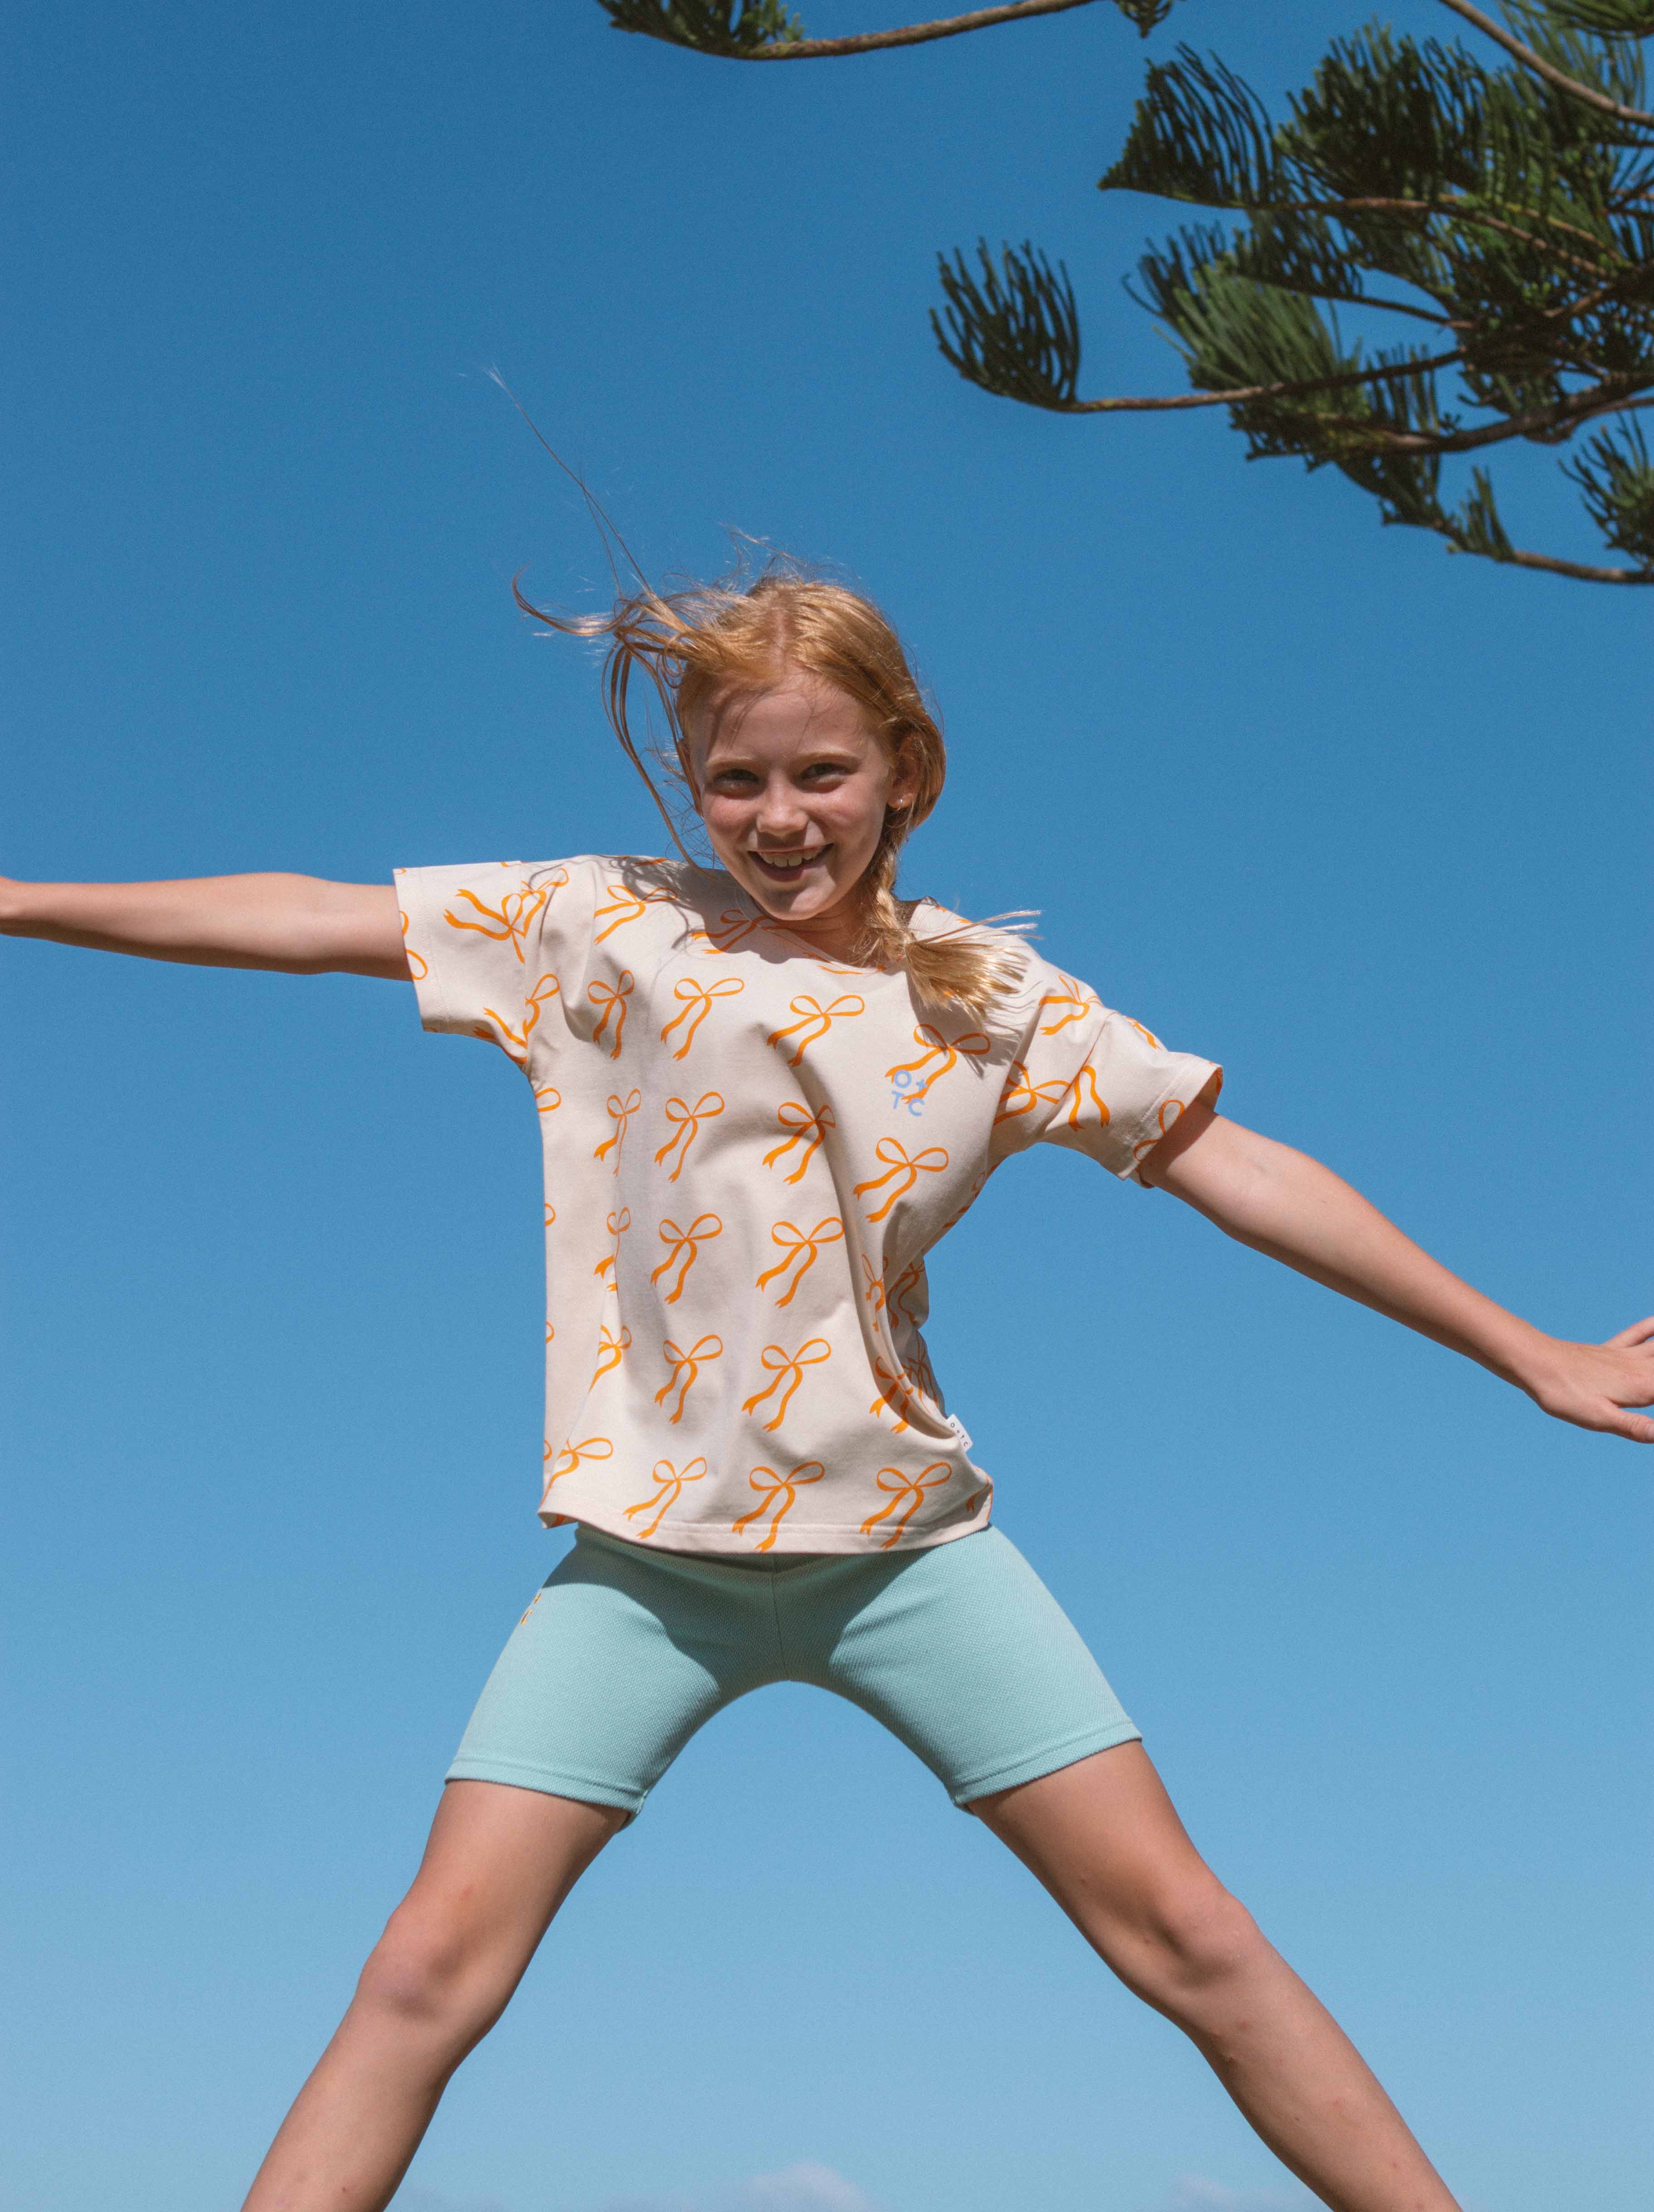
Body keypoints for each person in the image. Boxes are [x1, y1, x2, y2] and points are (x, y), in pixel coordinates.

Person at [5, 567, 1649, 2212]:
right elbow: (307, 920)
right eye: (738, 780)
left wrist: (1533, 1353)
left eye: (823, 775)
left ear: (904, 771)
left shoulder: (990, 1002)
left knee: (1192, 1940)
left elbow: (1234, 1167)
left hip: (907, 1556)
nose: (781, 817)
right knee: (425, 1975)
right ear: (689, 782)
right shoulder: (600, 925)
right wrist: (21, 900)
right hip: (647, 1570)